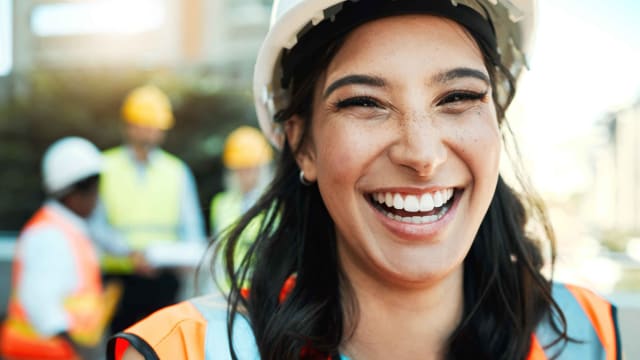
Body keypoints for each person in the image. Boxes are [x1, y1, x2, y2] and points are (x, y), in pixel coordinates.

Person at [108, 1, 623, 359]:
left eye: (459, 98)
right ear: (302, 145)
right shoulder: (186, 351)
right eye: (364, 103)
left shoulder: (596, 335)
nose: (421, 155)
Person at [92, 85, 206, 334]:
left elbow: (192, 229)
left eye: (155, 127)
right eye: (143, 125)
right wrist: (129, 254)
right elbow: (95, 224)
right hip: (120, 279)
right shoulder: (105, 166)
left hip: (165, 280)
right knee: (122, 348)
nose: (149, 133)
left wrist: (186, 257)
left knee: (163, 348)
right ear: (129, 126)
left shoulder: (177, 171)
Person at [0, 137, 114, 360]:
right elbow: (41, 304)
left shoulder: (67, 228)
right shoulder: (49, 234)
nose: (97, 198)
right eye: (94, 191)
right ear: (74, 194)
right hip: (41, 353)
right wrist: (82, 349)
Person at [210, 125, 273, 280]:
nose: (245, 175)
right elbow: (216, 255)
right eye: (240, 168)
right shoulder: (221, 203)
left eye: (250, 168)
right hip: (226, 292)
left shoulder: (275, 204)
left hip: (260, 292)